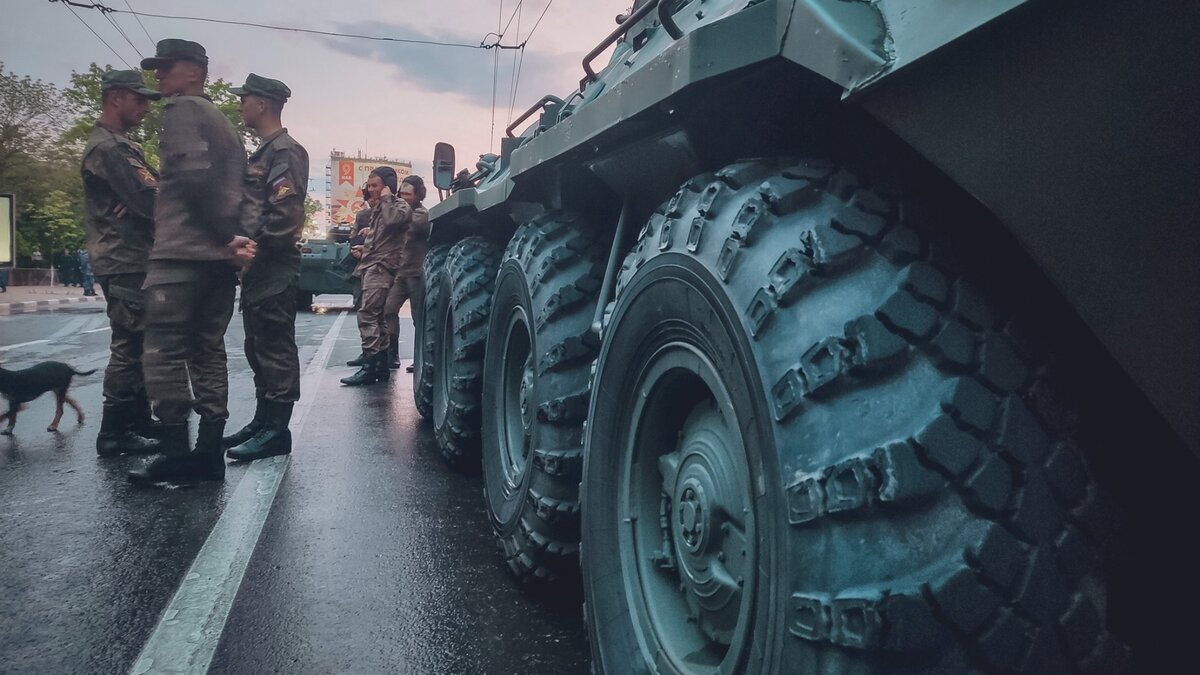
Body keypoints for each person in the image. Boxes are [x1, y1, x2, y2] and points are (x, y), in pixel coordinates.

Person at [127, 39, 255, 485]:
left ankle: (177, 452)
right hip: (218, 261)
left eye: (167, 67)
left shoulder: (182, 111)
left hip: (180, 256)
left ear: (195, 71)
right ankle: (208, 453)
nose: (158, 76)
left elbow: (191, 178)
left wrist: (224, 236)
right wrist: (234, 242)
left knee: (162, 352)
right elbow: (243, 192)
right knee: (208, 350)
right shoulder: (227, 124)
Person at [221, 74, 309, 462]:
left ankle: (277, 429)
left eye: (245, 100)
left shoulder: (285, 151)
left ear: (262, 104)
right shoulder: (264, 152)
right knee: (257, 345)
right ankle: (263, 420)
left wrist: (254, 250)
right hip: (259, 267)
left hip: (272, 263)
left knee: (274, 346)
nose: (241, 106)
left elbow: (286, 215)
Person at [79, 68, 164, 457]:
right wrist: (147, 199)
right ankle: (113, 432)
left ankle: (138, 421)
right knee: (129, 344)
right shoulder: (110, 149)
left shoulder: (120, 145)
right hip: (124, 258)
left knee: (142, 340)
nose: (145, 106)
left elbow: (148, 195)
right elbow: (151, 201)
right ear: (115, 97)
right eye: (139, 98)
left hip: (131, 256)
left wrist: (146, 197)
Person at [340, 167, 410, 386]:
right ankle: (379, 365)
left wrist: (388, 197)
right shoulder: (379, 209)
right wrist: (363, 252)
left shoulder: (398, 206)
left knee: (367, 314)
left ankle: (370, 366)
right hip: (372, 264)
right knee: (377, 317)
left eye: (375, 186)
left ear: (388, 186)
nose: (370, 190)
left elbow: (392, 222)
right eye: (368, 186)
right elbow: (380, 240)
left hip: (382, 267)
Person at [383, 175, 430, 371]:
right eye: (401, 194)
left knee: (419, 318)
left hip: (416, 272)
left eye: (408, 194)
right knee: (388, 311)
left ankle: (421, 358)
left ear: (418, 195)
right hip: (400, 272)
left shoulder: (421, 215)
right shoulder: (402, 212)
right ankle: (391, 355)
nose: (403, 197)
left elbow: (394, 223)